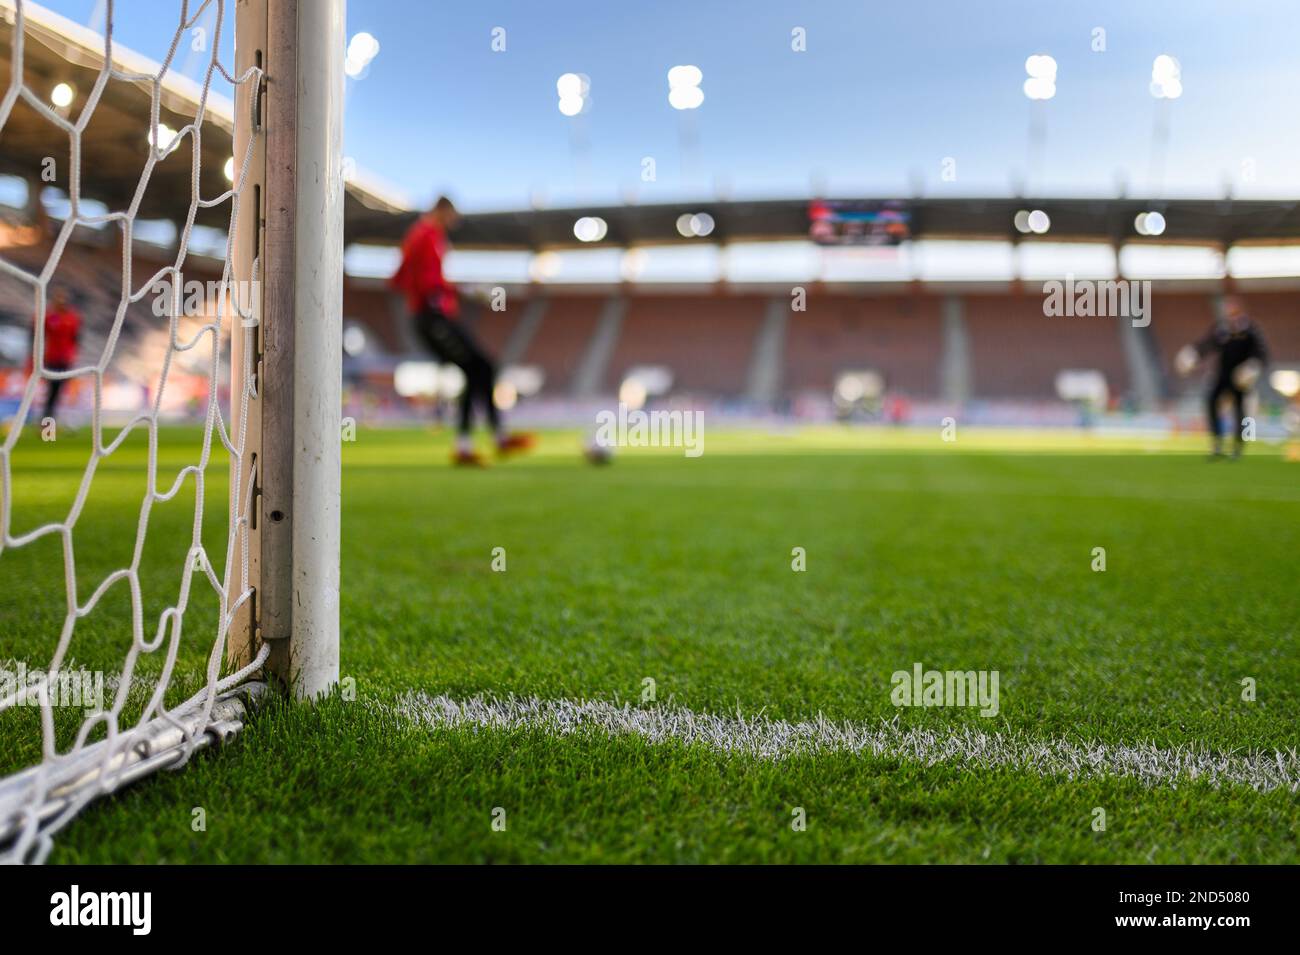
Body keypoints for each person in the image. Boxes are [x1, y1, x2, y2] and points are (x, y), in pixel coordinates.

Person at [390, 196, 533, 466]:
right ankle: (488, 441)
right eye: (452, 215)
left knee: (479, 369)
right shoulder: (425, 235)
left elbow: (406, 277)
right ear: (442, 210)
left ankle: (477, 444)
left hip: (437, 315)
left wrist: (448, 290)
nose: (454, 222)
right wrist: (457, 291)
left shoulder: (427, 237)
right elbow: (407, 279)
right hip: (432, 318)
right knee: (482, 367)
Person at [1175, 295, 1268, 459]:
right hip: (1222, 375)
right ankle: (1217, 445)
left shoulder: (1250, 329)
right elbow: (1206, 344)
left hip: (1240, 378)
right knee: (1211, 402)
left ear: (1239, 309)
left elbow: (1261, 353)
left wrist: (1252, 366)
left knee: (1239, 410)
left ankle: (1238, 447)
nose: (1227, 312)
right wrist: (1193, 354)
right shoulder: (1221, 329)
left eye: (1230, 308)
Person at [38, 289, 80, 423]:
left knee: (61, 390)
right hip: (51, 358)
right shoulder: (49, 316)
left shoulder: (73, 318)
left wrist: (74, 355)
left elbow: (76, 338)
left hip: (66, 359)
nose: (62, 303)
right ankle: (47, 420)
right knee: (52, 389)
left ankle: (54, 418)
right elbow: (39, 334)